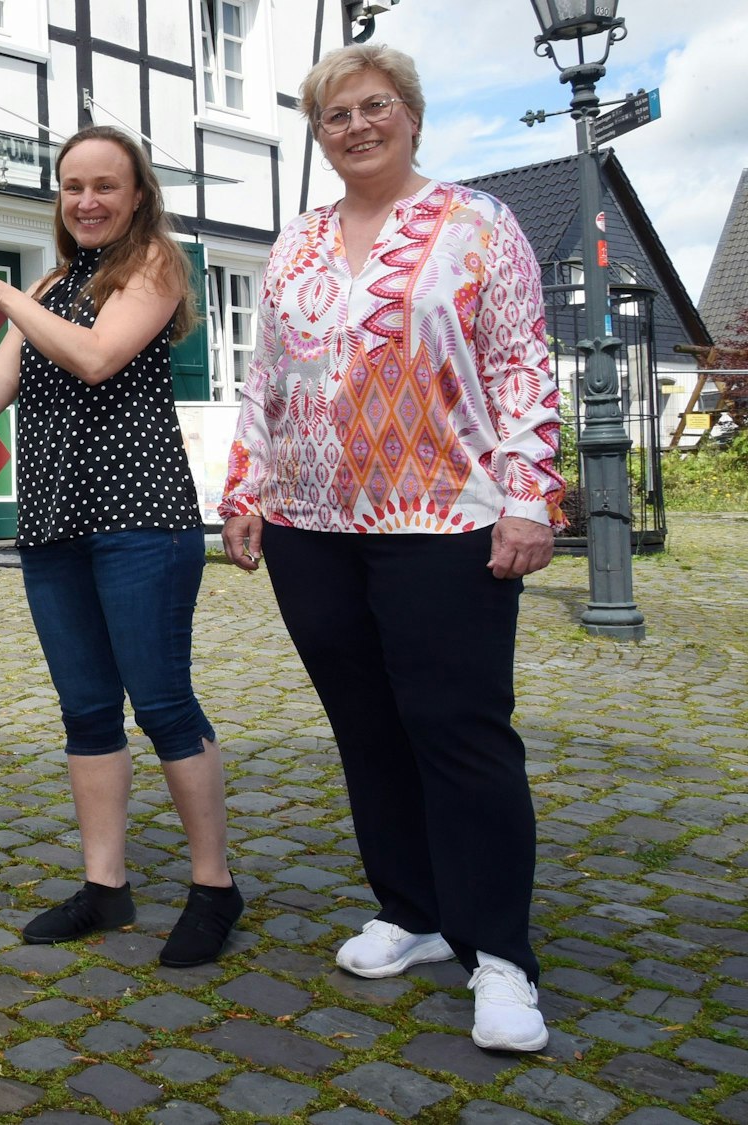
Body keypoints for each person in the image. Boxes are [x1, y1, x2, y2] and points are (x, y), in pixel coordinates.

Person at [217, 44, 562, 1052]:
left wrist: (528, 497)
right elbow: (265, 378)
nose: (356, 126)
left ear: (409, 115)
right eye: (334, 115)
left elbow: (518, 364)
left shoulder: (475, 224)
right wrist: (248, 488)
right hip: (312, 527)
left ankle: (497, 957)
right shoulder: (293, 242)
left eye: (374, 107)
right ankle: (410, 914)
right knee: (364, 727)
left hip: (446, 518)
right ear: (316, 134)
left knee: (459, 733)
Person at [0, 125, 243, 968]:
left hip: (141, 519)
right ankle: (106, 886)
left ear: (137, 194)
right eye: (73, 186)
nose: (86, 201)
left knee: (162, 703)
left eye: (105, 186)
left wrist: (2, 299)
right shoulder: (51, 280)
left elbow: (98, 356)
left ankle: (214, 885)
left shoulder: (152, 266)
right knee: (84, 709)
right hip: (54, 523)